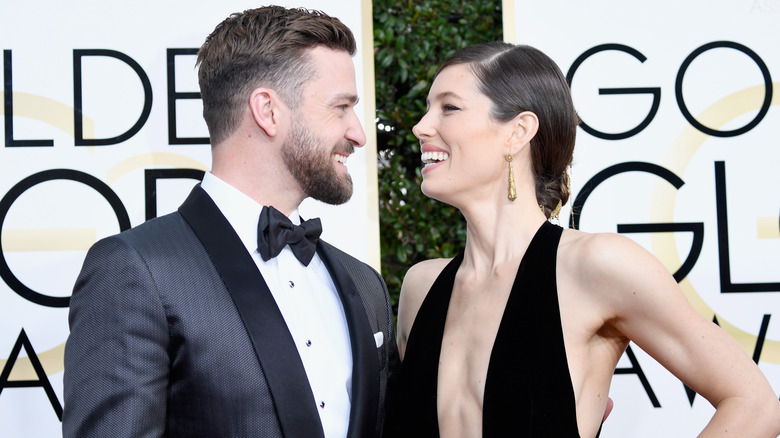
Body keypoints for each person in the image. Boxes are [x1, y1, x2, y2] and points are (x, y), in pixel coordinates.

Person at [383, 41, 780, 438]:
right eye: (428, 108)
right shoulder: (422, 287)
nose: (421, 126)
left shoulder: (594, 266)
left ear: (518, 132)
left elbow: (754, 405)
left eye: (449, 108)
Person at [63, 6, 398, 438]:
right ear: (268, 111)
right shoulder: (136, 270)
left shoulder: (365, 284)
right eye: (341, 108)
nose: (358, 133)